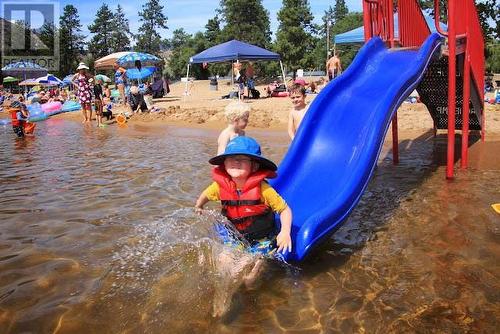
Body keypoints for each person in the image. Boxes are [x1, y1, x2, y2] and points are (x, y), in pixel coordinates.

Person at [194, 136, 293, 288]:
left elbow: (285, 210)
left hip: (262, 238)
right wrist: (199, 206)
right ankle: (224, 290)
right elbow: (205, 195)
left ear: (254, 167)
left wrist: (285, 232)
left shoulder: (263, 190)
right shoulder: (219, 187)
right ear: (224, 164)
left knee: (249, 279)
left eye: (242, 159)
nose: (236, 162)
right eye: (231, 158)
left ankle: (259, 267)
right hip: (236, 235)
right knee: (224, 261)